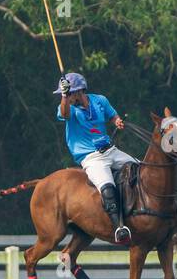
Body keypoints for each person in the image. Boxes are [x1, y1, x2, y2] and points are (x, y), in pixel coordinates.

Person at [56, 72, 136, 243]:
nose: (69, 98)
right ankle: (119, 228)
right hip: (90, 157)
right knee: (107, 186)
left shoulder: (99, 100)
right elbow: (64, 114)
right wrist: (63, 95)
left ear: (80, 91)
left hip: (110, 150)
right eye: (67, 94)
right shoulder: (67, 107)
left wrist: (116, 121)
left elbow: (112, 114)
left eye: (71, 94)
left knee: (140, 170)